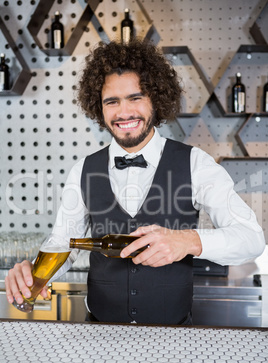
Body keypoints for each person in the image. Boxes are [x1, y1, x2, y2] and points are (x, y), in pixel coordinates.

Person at [5, 39, 265, 325]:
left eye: (135, 98)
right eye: (112, 101)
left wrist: (188, 240)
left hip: (173, 341)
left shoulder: (196, 163)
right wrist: (34, 272)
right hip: (101, 337)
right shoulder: (83, 169)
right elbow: (62, 243)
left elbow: (251, 238)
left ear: (156, 99)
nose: (124, 112)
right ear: (99, 107)